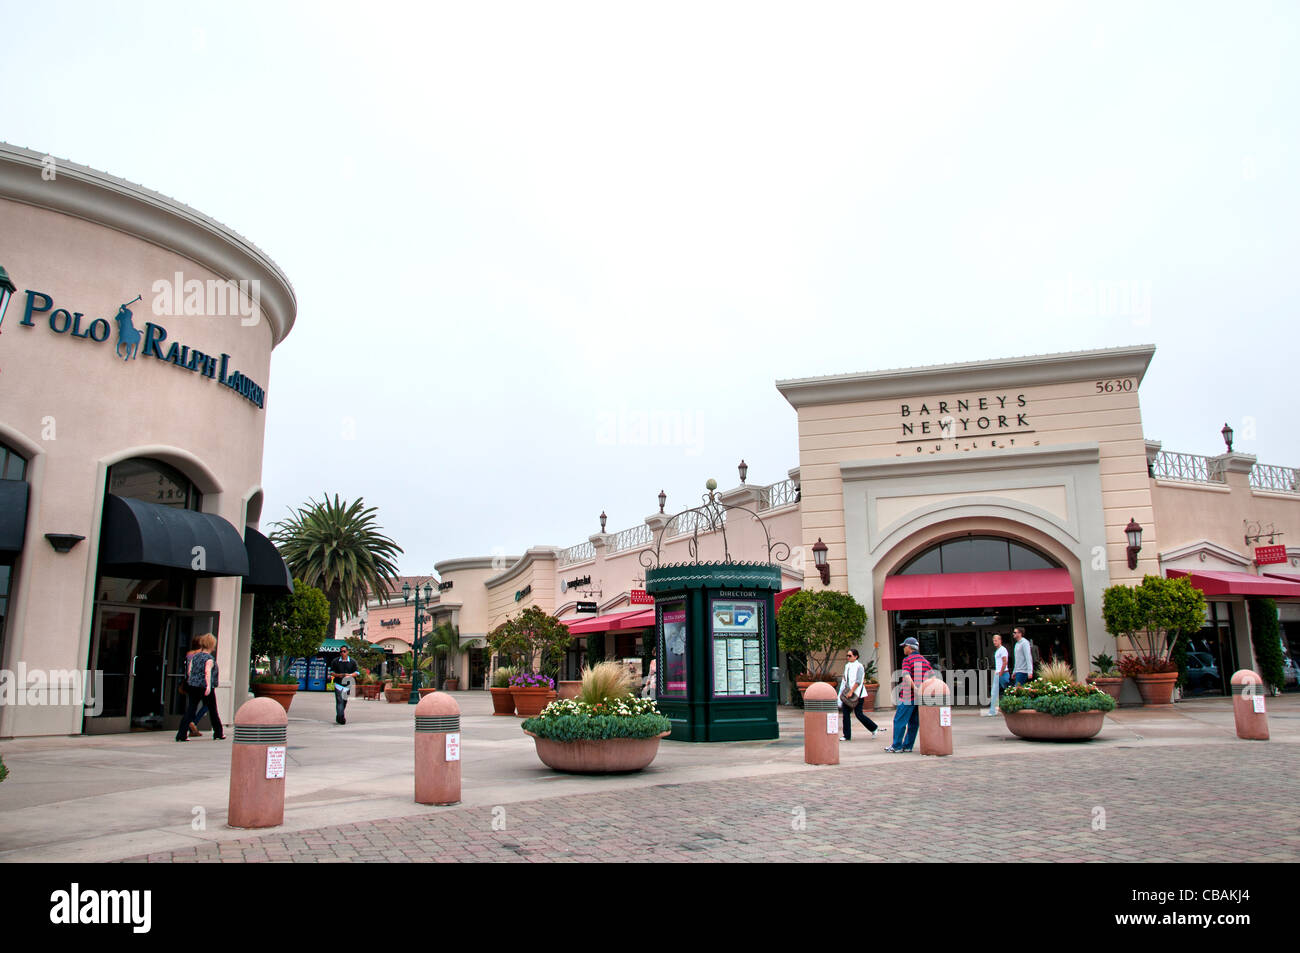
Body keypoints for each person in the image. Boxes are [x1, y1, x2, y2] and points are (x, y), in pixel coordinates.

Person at [885, 637, 932, 753]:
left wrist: (915, 688)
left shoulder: (907, 660)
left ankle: (896, 746)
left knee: (899, 721)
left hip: (908, 696)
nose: (903, 649)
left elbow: (906, 676)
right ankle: (908, 746)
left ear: (909, 648)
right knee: (914, 723)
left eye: (904, 646)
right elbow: (932, 678)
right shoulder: (925, 661)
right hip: (920, 698)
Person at [175, 634, 218, 742]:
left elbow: (189, 671)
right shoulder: (209, 658)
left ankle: (181, 734)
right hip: (204, 686)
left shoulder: (194, 657)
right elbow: (207, 672)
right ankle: (218, 733)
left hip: (193, 685)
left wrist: (191, 681)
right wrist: (208, 686)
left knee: (191, 708)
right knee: (212, 709)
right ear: (212, 645)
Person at [838, 648, 882, 741]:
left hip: (858, 695)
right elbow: (844, 680)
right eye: (847, 655)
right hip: (848, 694)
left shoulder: (859, 666)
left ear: (856, 656)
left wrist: (851, 692)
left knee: (859, 714)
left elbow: (858, 681)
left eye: (850, 655)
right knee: (845, 714)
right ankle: (846, 735)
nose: (848, 657)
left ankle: (873, 728)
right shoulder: (847, 666)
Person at [331, 645, 359, 724]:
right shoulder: (335, 661)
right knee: (339, 701)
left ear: (347, 652)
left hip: (347, 685)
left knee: (344, 701)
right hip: (338, 684)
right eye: (341, 651)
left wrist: (349, 675)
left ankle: (339, 716)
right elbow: (332, 672)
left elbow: (357, 672)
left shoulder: (352, 661)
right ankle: (341, 718)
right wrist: (338, 675)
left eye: (344, 651)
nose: (342, 653)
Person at [984, 633, 1010, 716]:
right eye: (993, 641)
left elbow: (1005, 662)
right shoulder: (998, 650)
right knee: (994, 692)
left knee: (1007, 691)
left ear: (1000, 640)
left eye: (996, 640)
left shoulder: (1003, 650)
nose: (994, 642)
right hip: (998, 674)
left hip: (1002, 674)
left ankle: (1009, 707)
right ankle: (992, 711)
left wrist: (1001, 673)